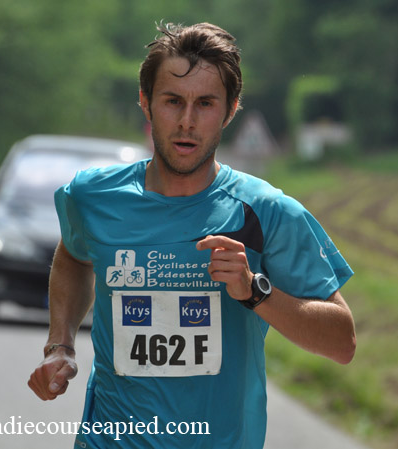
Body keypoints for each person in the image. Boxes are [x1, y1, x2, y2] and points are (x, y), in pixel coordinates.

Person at [28, 22, 356, 448]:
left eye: (205, 103)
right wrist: (60, 345)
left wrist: (254, 291)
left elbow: (342, 342)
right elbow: (75, 256)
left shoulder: (267, 212)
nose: (187, 121)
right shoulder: (93, 196)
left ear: (230, 110)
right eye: (172, 101)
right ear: (145, 102)